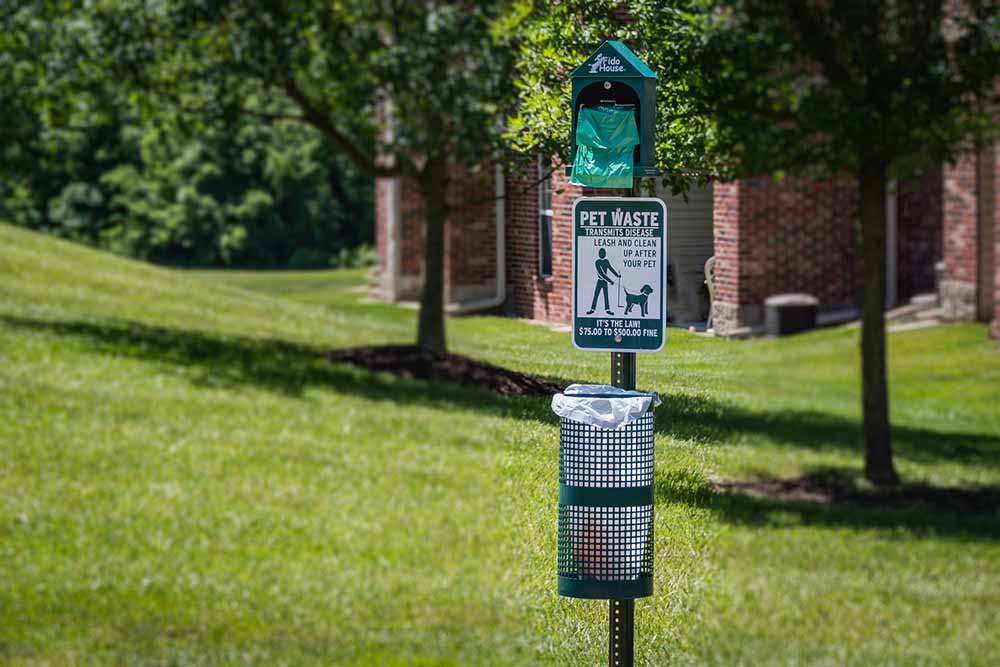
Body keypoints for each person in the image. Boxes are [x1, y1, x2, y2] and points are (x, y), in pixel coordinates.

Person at [586, 248, 620, 315]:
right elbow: (601, 274)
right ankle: (592, 309)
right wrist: (610, 281)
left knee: (606, 296)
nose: (602, 254)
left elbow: (611, 269)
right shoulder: (597, 262)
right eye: (601, 253)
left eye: (603, 253)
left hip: (605, 282)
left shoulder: (606, 261)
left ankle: (607, 310)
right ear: (599, 254)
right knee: (596, 295)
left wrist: (617, 275)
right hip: (600, 281)